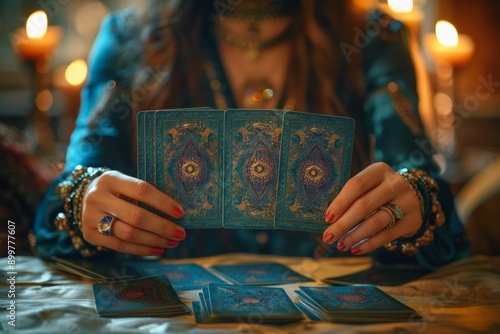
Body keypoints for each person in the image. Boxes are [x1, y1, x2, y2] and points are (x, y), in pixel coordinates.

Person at [33, 0, 469, 269]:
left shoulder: (374, 38)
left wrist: (412, 201)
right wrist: (84, 201)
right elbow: (72, 190)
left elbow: (423, 189)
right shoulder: (128, 38)